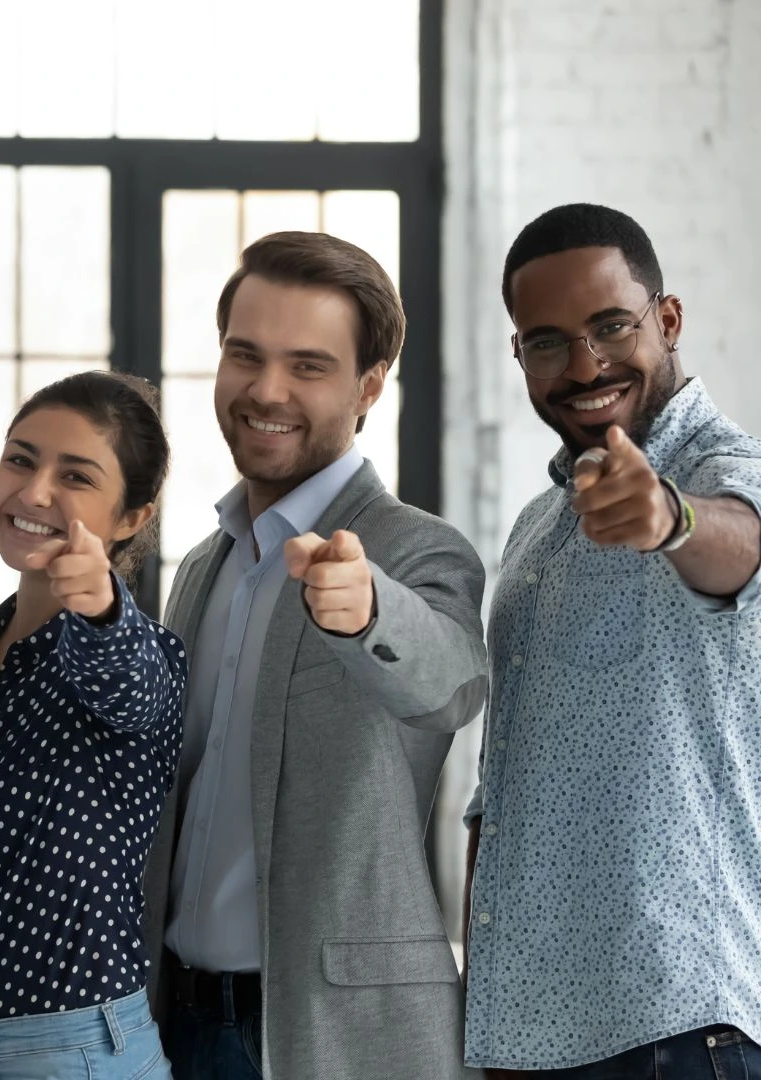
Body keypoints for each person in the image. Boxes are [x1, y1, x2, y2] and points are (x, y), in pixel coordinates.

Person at [143, 231, 488, 1080]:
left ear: (369, 386)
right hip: (176, 1024)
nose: (267, 390)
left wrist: (367, 611)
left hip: (338, 1038)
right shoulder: (204, 565)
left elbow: (450, 683)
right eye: (245, 355)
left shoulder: (416, 550)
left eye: (308, 365)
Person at [463, 204, 761, 1079]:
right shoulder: (536, 527)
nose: (585, 366)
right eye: (548, 343)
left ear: (667, 319)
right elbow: (501, 785)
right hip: (532, 1034)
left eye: (611, 327)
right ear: (518, 355)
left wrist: (670, 519)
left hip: (677, 1030)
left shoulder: (724, 473)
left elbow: (738, 543)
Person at [0, 370, 185, 1080]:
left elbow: (126, 680)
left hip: (72, 1054)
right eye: (20, 459)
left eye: (75, 476)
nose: (34, 492)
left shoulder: (142, 653)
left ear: (131, 518)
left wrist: (100, 605)